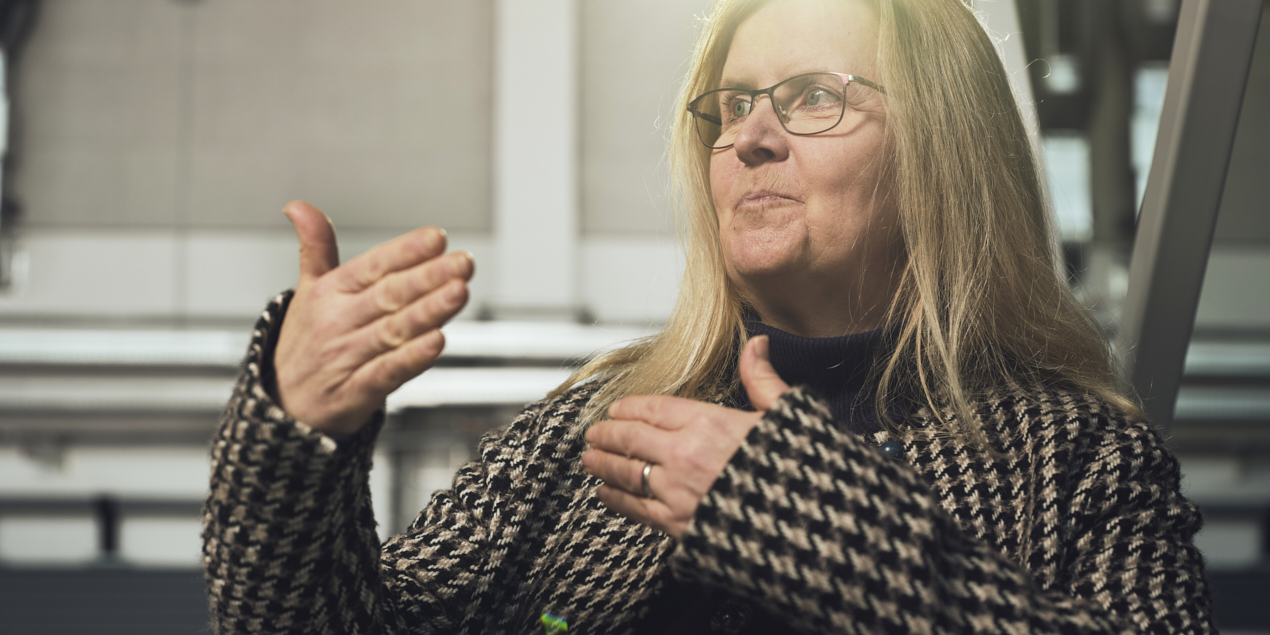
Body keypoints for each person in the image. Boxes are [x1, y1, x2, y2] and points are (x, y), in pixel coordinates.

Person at [202, 0, 1214, 632]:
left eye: (812, 94)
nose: (751, 136)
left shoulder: (1075, 452)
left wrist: (823, 523)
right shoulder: (586, 431)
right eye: (731, 106)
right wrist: (295, 440)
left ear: (942, 152)